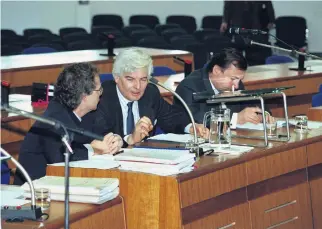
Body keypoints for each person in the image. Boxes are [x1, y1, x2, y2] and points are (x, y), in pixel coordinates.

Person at [14, 63, 123, 185]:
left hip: (61, 185)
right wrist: (94, 150)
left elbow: (104, 132)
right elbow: (61, 157)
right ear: (84, 95)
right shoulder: (54, 119)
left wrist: (115, 140)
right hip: (33, 192)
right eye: (98, 90)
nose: (101, 93)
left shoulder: (88, 112)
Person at [81, 48, 209, 146]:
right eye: (130, 79)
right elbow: (100, 136)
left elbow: (171, 117)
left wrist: (191, 127)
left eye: (143, 79)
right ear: (116, 77)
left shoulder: (150, 92)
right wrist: (130, 139)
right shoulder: (102, 98)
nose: (138, 86)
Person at [175, 48, 270, 128]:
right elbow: (194, 118)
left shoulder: (236, 83)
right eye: (233, 79)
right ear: (216, 70)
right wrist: (236, 119)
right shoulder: (189, 86)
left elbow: (251, 104)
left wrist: (262, 114)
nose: (237, 85)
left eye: (239, 79)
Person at [220, 1, 275, 66]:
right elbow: (228, 5)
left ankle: (255, 71)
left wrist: (271, 20)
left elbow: (268, 4)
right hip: (238, 22)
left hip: (256, 24)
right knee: (236, 56)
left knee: (256, 56)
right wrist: (225, 20)